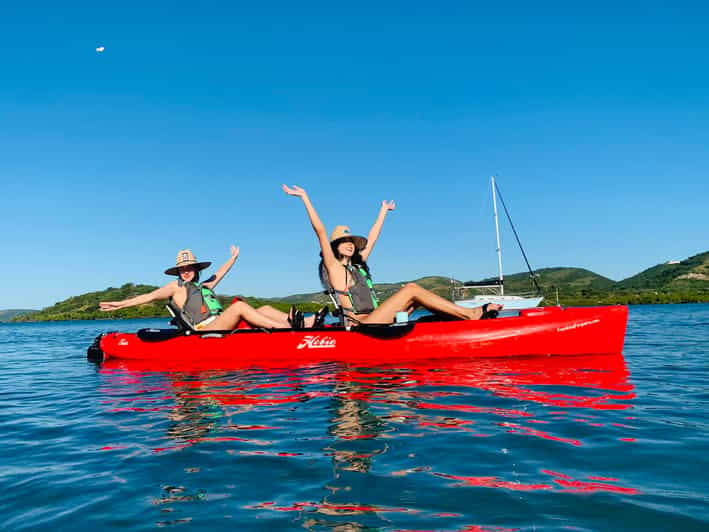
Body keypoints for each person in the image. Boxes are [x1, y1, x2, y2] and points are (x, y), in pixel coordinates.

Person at [282, 184, 502, 325]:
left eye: (351, 242)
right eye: (343, 242)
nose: (349, 245)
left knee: (416, 298)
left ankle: (457, 320)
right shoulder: (334, 267)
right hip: (361, 324)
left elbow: (373, 237)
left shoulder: (358, 265)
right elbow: (320, 230)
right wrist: (304, 198)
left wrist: (383, 212)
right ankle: (471, 314)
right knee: (411, 289)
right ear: (334, 247)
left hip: (377, 318)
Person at [99, 246, 325, 330]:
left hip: (219, 323)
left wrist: (233, 258)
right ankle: (286, 331)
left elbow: (221, 272)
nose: (186, 271)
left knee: (264, 307)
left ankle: (306, 323)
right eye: (182, 269)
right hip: (205, 329)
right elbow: (147, 297)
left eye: (189, 268)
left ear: (196, 269)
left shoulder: (204, 285)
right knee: (239, 307)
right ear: (178, 272)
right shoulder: (174, 287)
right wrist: (118, 304)